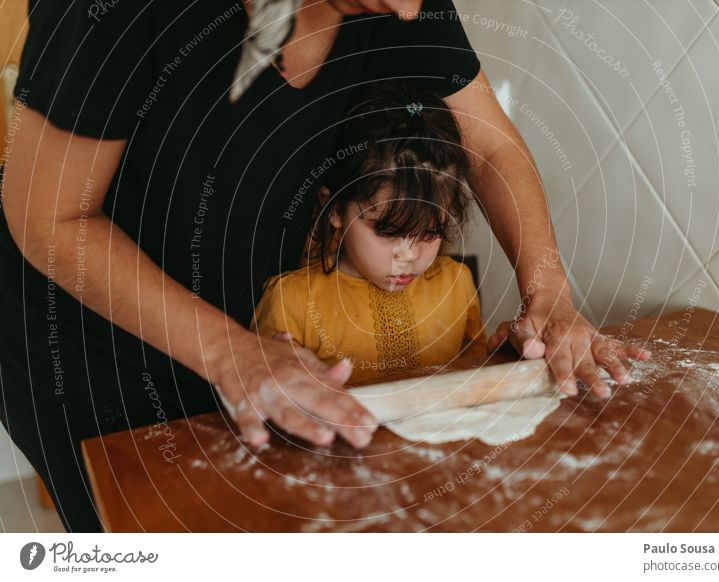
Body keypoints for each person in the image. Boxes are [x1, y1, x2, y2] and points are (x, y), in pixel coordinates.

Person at [0, 0, 649, 531]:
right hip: (85, 346)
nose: (408, 8)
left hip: (259, 339)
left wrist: (551, 295)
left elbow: (488, 145)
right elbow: (47, 219)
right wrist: (233, 354)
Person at [251, 82, 486, 383]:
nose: (408, 255)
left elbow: (478, 375)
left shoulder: (457, 285)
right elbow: (263, 401)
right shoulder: (291, 304)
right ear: (335, 208)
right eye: (388, 231)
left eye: (429, 233)